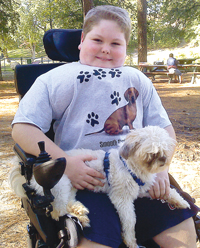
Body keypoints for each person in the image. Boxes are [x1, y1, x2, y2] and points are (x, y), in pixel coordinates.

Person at [12, 5, 198, 248]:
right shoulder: (54, 79)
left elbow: (164, 129)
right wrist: (65, 164)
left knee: (182, 228)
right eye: (97, 39)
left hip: (138, 174)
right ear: (82, 40)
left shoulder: (137, 79)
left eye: (116, 44)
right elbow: (23, 128)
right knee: (98, 238)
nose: (105, 49)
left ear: (126, 47)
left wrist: (162, 171)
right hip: (87, 177)